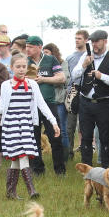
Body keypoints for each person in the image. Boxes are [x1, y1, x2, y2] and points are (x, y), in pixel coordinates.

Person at [0, 53, 60, 198]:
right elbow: (1, 108)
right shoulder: (6, 86)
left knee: (20, 157)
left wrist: (53, 121)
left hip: (26, 125)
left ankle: (11, 191)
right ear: (12, 68)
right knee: (20, 156)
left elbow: (41, 105)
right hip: (11, 126)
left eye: (24, 66)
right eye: (18, 67)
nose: (21, 69)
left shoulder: (33, 84)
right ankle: (31, 190)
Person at [71, 29, 109, 168]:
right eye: (92, 42)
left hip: (104, 103)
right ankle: (86, 169)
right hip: (85, 102)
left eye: (97, 41)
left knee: (105, 138)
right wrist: (84, 65)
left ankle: (106, 168)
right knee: (85, 136)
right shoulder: (86, 56)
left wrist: (101, 76)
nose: (94, 45)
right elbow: (74, 75)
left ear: (105, 41)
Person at [24, 35, 65, 176]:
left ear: (39, 47)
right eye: (26, 46)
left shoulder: (50, 59)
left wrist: (43, 79)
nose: (27, 49)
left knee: (55, 136)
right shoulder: (24, 61)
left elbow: (61, 77)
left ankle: (60, 170)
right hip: (30, 105)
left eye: (30, 47)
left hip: (49, 103)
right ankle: (37, 170)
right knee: (33, 137)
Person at [62, 30, 88, 160]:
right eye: (76, 38)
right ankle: (69, 154)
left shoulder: (89, 56)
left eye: (79, 38)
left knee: (84, 126)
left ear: (86, 40)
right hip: (72, 92)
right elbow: (67, 76)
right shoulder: (70, 57)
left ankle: (85, 152)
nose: (77, 40)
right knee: (69, 126)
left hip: (85, 92)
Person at [43, 42, 69, 153]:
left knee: (61, 128)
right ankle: (52, 150)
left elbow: (64, 79)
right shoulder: (42, 64)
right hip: (46, 100)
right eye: (43, 53)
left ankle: (65, 154)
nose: (45, 55)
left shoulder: (62, 63)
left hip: (59, 100)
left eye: (47, 52)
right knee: (49, 129)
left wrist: (46, 79)